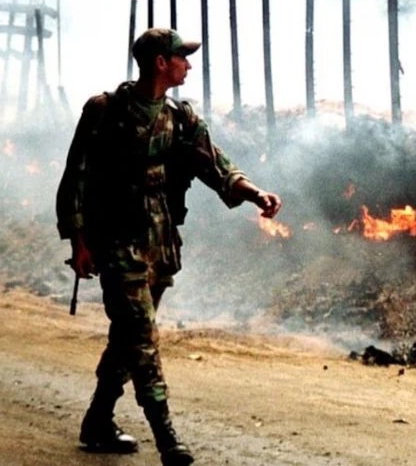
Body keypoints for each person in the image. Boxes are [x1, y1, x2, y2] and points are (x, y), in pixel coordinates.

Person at [55, 28, 282, 466]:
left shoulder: (180, 117)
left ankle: (99, 420)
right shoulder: (105, 111)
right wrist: (79, 241)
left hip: (158, 238)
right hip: (116, 239)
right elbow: (76, 177)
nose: (188, 65)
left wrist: (255, 194)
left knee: (128, 334)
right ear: (160, 62)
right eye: (182, 57)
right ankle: (168, 440)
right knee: (141, 336)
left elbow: (216, 164)